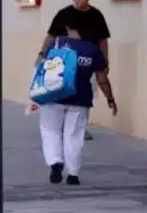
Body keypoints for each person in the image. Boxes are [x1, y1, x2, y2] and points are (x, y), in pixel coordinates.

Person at [37, 16, 116, 186]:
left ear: (67, 27)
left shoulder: (56, 44)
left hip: (54, 95)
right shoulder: (92, 49)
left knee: (50, 130)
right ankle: (73, 174)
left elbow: (41, 68)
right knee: (74, 136)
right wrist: (110, 98)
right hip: (81, 98)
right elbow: (101, 78)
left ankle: (55, 162)